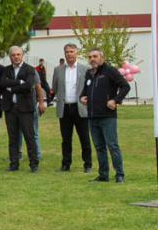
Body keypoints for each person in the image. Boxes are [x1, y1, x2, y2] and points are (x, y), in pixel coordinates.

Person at [84, 47, 129, 182]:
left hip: (107, 117)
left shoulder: (110, 71)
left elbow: (125, 86)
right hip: (92, 116)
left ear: (102, 58)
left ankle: (119, 174)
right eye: (90, 57)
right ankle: (103, 174)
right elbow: (84, 91)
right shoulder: (89, 73)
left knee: (112, 146)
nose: (92, 59)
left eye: (95, 56)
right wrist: (82, 97)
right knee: (99, 147)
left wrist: (115, 100)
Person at [51, 43, 92, 171]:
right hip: (65, 109)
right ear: (64, 54)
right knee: (66, 139)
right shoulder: (58, 70)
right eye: (67, 52)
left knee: (84, 138)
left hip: (79, 108)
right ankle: (66, 164)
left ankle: (87, 164)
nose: (69, 54)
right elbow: (55, 87)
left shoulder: (85, 69)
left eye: (72, 51)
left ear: (76, 53)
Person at [2, 44, 44, 171]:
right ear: (10, 57)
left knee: (29, 137)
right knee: (13, 137)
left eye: (18, 54)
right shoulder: (6, 70)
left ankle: (34, 164)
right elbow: (3, 83)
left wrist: (11, 88)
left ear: (22, 55)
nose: (16, 57)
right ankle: (14, 164)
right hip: (10, 108)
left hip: (25, 108)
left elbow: (29, 85)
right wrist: (20, 82)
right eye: (13, 55)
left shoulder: (29, 69)